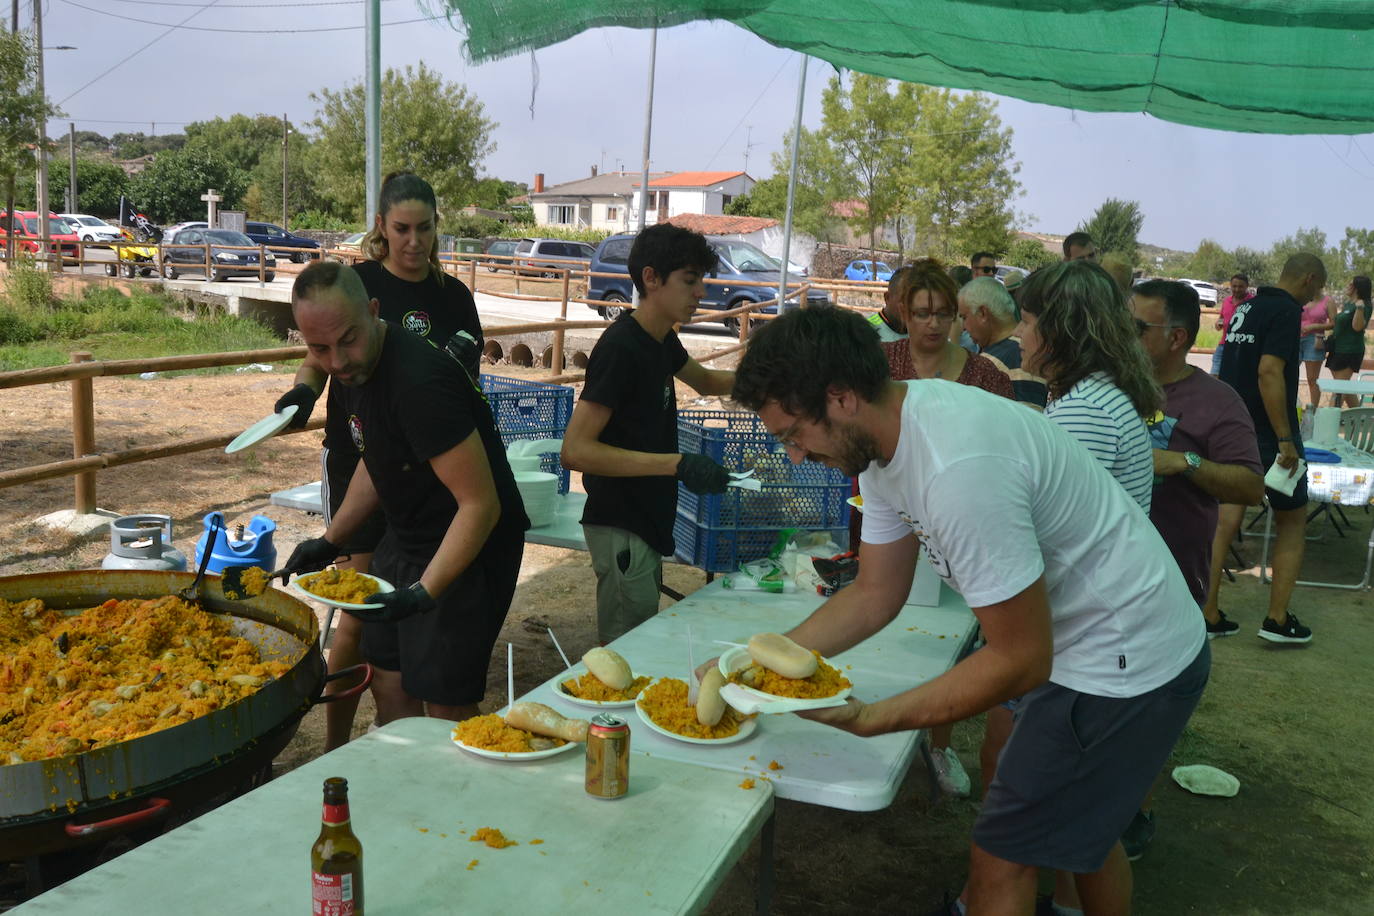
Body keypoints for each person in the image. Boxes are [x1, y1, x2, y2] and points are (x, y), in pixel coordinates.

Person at [731, 306, 1208, 916]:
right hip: (1105, 641)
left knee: (1002, 859)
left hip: (1122, 661)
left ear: (841, 397)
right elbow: (876, 592)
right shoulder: (885, 439)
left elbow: (1020, 660)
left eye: (793, 434)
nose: (795, 455)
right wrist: (754, 666)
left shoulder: (958, 467)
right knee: (1080, 826)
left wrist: (875, 718)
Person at [273, 171, 484, 751]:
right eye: (401, 229)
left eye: (424, 228)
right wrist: (303, 391)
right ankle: (341, 744)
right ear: (381, 230)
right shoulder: (354, 289)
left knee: (413, 624)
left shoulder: (451, 300)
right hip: (365, 461)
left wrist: (426, 593)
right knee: (359, 615)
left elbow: (477, 495)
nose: (414, 240)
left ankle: (405, 740)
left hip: (435, 471)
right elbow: (326, 365)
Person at [281, 261, 528, 725]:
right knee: (388, 678)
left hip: (472, 544)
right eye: (320, 349)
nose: (337, 362)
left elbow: (480, 505)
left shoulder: (420, 384)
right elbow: (379, 461)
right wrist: (331, 540)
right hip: (408, 534)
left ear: (374, 311)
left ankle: (448, 793)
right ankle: (401, 784)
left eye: (348, 340)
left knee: (444, 701)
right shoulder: (355, 366)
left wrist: (423, 593)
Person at [560, 224, 736, 644]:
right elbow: (575, 451)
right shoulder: (622, 347)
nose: (699, 293)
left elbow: (709, 383)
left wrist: (773, 378)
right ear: (652, 279)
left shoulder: (661, 340)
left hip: (646, 521)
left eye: (701, 282)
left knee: (639, 645)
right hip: (621, 523)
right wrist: (676, 465)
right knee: (625, 653)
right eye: (689, 281)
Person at [1211, 252, 1327, 644]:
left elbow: (1230, 364)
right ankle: (1277, 620)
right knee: (1292, 521)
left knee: (1225, 519)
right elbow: (1268, 370)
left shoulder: (1246, 307)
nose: (1318, 295)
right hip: (1268, 434)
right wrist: (1284, 438)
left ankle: (1207, 613)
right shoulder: (1284, 311)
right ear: (1309, 279)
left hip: (1231, 429)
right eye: (1319, 287)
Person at [1016, 259, 1159, 511]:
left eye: (1026, 321)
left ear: (1059, 329)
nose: (1018, 332)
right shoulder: (1095, 393)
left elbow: (1057, 522)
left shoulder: (1085, 411)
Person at [884, 259, 1013, 400]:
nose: (934, 324)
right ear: (904, 312)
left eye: (943, 313)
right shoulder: (883, 362)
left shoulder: (984, 375)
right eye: (923, 314)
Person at [956, 276, 1047, 408]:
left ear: (982, 313)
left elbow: (1028, 420)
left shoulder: (1018, 356)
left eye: (964, 317)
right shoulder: (1022, 349)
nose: (964, 327)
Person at [1325, 275, 1371, 407]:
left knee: (1338, 390)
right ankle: (1360, 417)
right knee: (1344, 387)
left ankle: (1329, 420)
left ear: (1357, 288)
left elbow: (1357, 327)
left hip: (1350, 351)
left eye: (1350, 284)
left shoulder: (1364, 306)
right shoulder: (1347, 304)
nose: (1347, 285)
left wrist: (1360, 308)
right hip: (1337, 349)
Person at [1299, 289, 1336, 407]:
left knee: (1312, 379)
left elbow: (1334, 323)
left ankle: (1312, 410)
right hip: (1295, 338)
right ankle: (1291, 406)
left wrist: (1315, 326)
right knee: (1289, 375)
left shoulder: (1328, 301)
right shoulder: (1300, 298)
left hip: (1314, 339)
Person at [1211, 274, 1252, 376]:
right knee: (1214, 375)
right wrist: (1218, 324)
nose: (1237, 289)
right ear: (1230, 285)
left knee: (1235, 377)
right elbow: (1221, 319)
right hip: (1224, 344)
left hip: (1242, 346)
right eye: (1234, 286)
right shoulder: (1226, 301)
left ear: (1247, 286)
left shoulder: (1253, 302)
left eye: (1240, 286)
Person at [866, 264, 912, 343]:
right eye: (904, 300)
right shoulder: (866, 330)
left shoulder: (926, 332)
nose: (910, 307)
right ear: (887, 298)